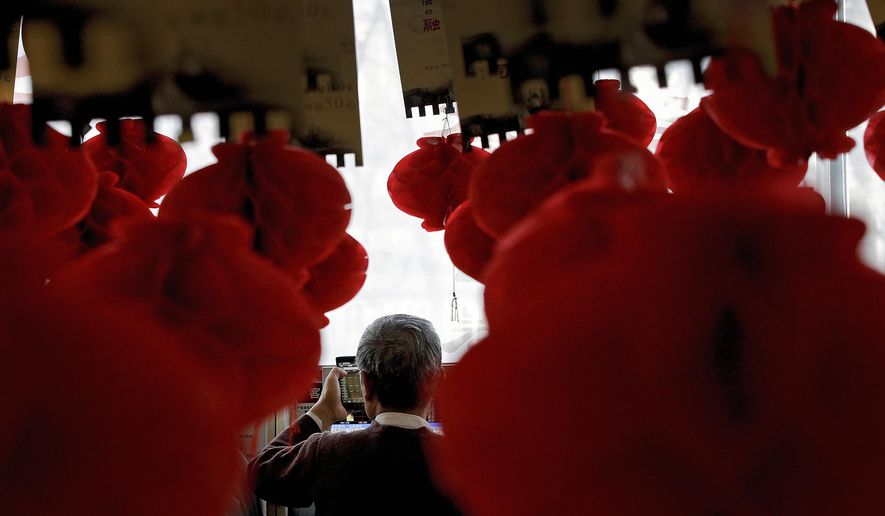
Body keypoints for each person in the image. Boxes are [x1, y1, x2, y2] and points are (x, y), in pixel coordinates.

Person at [248, 314, 461, 515]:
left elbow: (259, 473)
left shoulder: (328, 451)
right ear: (437, 383)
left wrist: (321, 413)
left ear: (365, 384)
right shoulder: (463, 463)